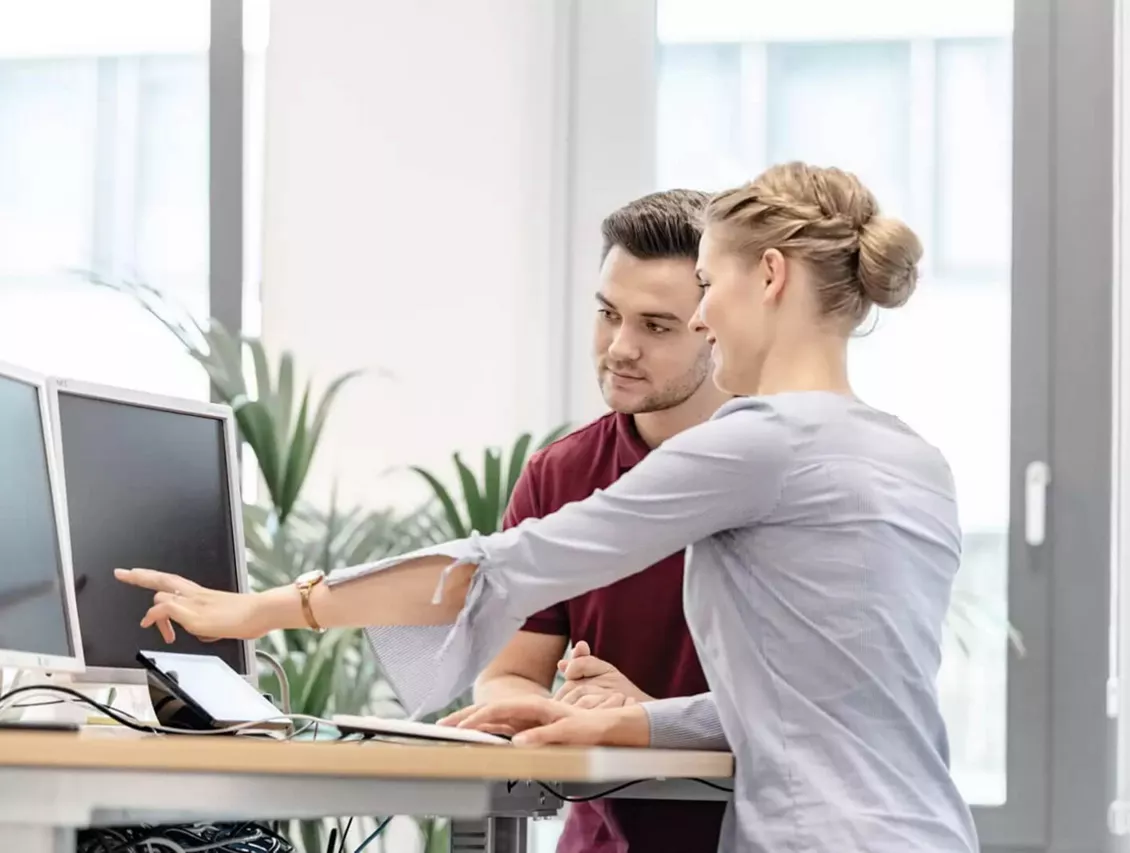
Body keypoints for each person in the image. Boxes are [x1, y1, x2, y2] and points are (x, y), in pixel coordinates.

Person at [117, 161, 980, 853]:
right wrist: (614, 716)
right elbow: (818, 702)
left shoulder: (759, 441)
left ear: (768, 275)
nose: (707, 319)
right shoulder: (912, 457)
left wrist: (264, 608)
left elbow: (507, 564)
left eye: (706, 288)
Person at [476, 188, 730, 853]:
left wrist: (640, 716)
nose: (620, 347)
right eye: (608, 314)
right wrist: (566, 709)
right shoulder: (559, 474)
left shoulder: (774, 471)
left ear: (718, 325)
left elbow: (805, 712)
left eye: (656, 325)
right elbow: (508, 674)